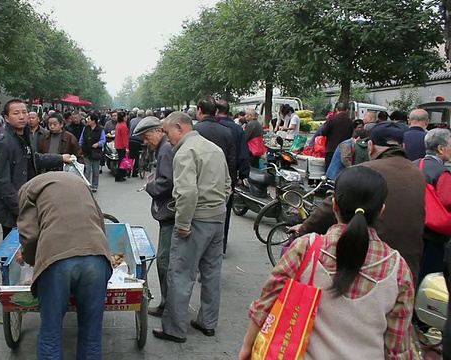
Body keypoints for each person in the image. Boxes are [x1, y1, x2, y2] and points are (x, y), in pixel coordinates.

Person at [239, 166, 415, 360]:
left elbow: (267, 302)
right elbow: (398, 348)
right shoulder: (398, 269)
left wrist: (248, 345)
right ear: (381, 211)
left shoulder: (306, 248)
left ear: (334, 205)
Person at [293, 121, 426, 279]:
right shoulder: (418, 174)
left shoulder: (367, 171)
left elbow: (331, 206)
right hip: (409, 267)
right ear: (402, 146)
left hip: (370, 264)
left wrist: (304, 228)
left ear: (370, 146)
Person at [152, 111, 231, 343]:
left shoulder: (185, 152)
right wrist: (217, 208)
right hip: (217, 219)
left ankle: (174, 329)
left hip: (196, 220)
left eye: (167, 133)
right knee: (211, 274)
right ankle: (207, 323)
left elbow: (187, 192)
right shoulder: (214, 148)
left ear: (179, 127)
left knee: (181, 274)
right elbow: (227, 185)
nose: (167, 138)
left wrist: (184, 223)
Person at [15, 171, 112, 360]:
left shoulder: (27, 189)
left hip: (57, 259)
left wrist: (31, 258)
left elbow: (30, 235)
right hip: (96, 255)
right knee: (91, 334)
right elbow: (99, 221)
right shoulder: (80, 182)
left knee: (51, 333)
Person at [0, 99, 72, 240]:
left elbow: (34, 158)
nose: (21, 116)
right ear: (6, 118)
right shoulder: (2, 142)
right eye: (16, 113)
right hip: (12, 206)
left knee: (25, 244)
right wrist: (19, 208)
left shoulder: (24, 136)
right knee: (12, 246)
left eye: (24, 112)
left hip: (25, 198)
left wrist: (61, 158)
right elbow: (2, 181)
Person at [132, 116, 175, 318]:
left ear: (159, 131)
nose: (145, 142)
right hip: (170, 213)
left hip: (170, 213)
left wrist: (150, 186)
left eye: (147, 137)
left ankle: (168, 304)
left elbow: (167, 182)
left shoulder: (166, 149)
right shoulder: (165, 148)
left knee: (164, 261)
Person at [414, 128, 451, 282]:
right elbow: (448, 201)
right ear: (440, 148)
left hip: (413, 229)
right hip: (434, 235)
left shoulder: (413, 165)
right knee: (429, 275)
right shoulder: (442, 173)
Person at [215, 99, 250, 254]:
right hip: (228, 176)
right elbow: (243, 153)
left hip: (209, 175)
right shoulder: (236, 129)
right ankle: (221, 244)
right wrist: (243, 174)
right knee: (225, 210)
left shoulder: (212, 127)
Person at [321, 102, 353, 169]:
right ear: (346, 110)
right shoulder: (350, 121)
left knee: (330, 170)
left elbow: (323, 132)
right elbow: (351, 135)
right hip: (344, 150)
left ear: (336, 109)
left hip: (331, 149)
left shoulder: (332, 119)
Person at [79, 113, 105, 192]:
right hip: (86, 152)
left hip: (96, 153)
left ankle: (94, 186)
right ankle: (87, 185)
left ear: (93, 121)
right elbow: (82, 138)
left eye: (89, 119)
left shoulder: (100, 129)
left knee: (95, 170)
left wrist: (98, 144)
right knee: (86, 170)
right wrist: (79, 145)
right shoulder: (86, 128)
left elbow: (103, 140)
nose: (87, 121)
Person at [128, 110, 145, 177]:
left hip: (131, 139)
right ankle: (135, 172)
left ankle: (128, 172)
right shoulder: (143, 121)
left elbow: (129, 129)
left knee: (130, 156)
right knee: (137, 156)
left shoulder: (132, 120)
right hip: (139, 140)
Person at [114, 111, 129, 182]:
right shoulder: (123, 126)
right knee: (122, 161)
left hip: (117, 144)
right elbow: (125, 138)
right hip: (121, 146)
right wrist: (126, 147)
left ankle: (119, 175)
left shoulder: (118, 125)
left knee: (120, 160)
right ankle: (119, 175)